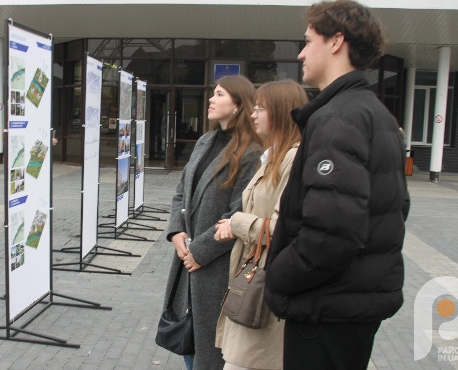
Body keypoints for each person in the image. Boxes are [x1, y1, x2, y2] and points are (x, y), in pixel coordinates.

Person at [263, 1, 411, 369]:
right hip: (349, 304)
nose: (300, 53)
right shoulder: (374, 113)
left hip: (326, 310)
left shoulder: (338, 118)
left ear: (336, 42)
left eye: (308, 40)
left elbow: (333, 232)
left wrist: (279, 273)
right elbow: (395, 207)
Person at [162, 74, 263, 370]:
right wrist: (175, 232)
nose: (211, 99)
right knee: (188, 339)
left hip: (217, 265)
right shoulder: (205, 140)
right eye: (212, 93)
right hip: (188, 257)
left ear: (238, 105)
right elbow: (181, 190)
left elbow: (240, 211)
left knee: (210, 348)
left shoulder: (250, 152)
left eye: (219, 94)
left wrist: (200, 251)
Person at [213, 79, 308, 370]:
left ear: (282, 112)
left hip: (264, 281)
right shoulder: (273, 156)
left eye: (261, 109)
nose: (253, 115)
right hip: (251, 277)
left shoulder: (293, 158)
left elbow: (283, 227)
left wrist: (237, 221)